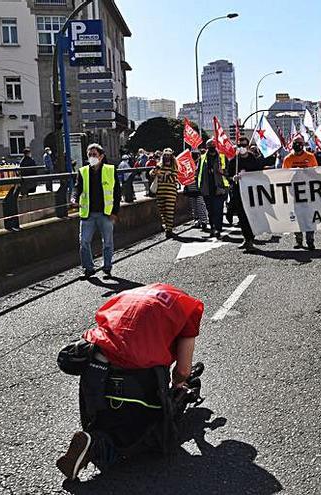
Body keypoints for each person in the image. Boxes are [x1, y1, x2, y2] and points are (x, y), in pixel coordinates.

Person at [55, 284, 205, 480]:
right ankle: (97, 445)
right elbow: (183, 370)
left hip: (95, 372)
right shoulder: (187, 308)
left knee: (107, 417)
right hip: (137, 381)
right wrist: (179, 386)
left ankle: (94, 434)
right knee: (147, 436)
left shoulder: (130, 295)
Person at [70, 143, 120, 279]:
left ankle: (107, 267)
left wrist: (115, 212)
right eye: (89, 155)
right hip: (88, 214)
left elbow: (117, 192)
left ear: (101, 156)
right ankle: (88, 268)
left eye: (94, 155)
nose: (92, 157)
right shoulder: (83, 171)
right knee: (84, 241)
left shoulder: (110, 170)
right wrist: (74, 198)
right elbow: (77, 188)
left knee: (108, 242)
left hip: (106, 213)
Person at [282, 135, 320, 250]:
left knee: (309, 217)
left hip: (308, 193)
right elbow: (284, 176)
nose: (297, 145)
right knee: (297, 217)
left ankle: (310, 241)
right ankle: (299, 241)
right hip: (294, 194)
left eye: (299, 143)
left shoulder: (310, 157)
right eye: (295, 142)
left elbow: (315, 172)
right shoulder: (288, 159)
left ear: (303, 144)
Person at [228, 137, 264, 250]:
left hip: (252, 194)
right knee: (242, 217)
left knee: (251, 217)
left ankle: (250, 239)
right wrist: (233, 178)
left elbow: (260, 175)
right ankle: (246, 239)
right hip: (238, 194)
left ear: (248, 146)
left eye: (244, 145)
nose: (242, 148)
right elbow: (228, 176)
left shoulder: (254, 160)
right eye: (240, 146)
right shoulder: (234, 161)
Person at [198, 139, 229, 239]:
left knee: (218, 210)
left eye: (213, 145)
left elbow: (228, 172)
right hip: (207, 189)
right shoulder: (202, 158)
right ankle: (212, 228)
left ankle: (218, 229)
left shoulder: (222, 157)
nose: (211, 147)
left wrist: (223, 171)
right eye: (209, 146)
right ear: (207, 147)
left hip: (219, 188)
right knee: (210, 211)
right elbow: (198, 172)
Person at [150, 149, 179, 238]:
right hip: (160, 192)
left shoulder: (174, 166)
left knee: (169, 211)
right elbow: (151, 174)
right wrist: (156, 170)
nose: (167, 157)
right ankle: (166, 226)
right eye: (165, 155)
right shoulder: (159, 165)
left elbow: (174, 179)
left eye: (168, 155)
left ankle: (169, 229)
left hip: (170, 192)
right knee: (162, 211)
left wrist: (165, 175)